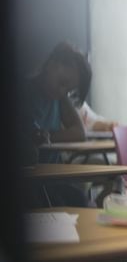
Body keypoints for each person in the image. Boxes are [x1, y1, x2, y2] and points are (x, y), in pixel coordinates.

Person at [22, 41, 92, 207]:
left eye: (68, 90)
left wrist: (48, 135)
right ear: (50, 65)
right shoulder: (25, 92)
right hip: (31, 181)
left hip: (53, 176)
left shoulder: (59, 99)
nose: (63, 92)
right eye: (62, 83)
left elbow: (79, 133)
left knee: (81, 200)